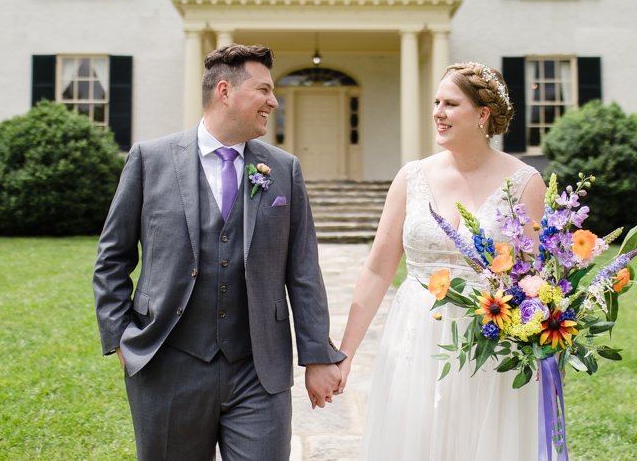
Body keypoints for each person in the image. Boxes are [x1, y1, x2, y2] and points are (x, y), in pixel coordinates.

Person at [93, 43, 345, 461]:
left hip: (258, 370)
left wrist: (317, 355)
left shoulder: (284, 169)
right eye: (264, 90)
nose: (273, 101)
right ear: (225, 91)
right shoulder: (149, 159)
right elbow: (112, 258)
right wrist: (120, 338)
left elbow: (302, 269)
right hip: (168, 364)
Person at [337, 62, 547, 460]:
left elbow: (533, 278)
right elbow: (378, 268)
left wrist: (539, 347)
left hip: (490, 336)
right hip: (416, 332)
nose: (437, 111)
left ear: (482, 114)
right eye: (436, 102)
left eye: (450, 103)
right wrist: (345, 354)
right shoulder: (411, 177)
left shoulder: (524, 182)